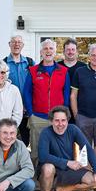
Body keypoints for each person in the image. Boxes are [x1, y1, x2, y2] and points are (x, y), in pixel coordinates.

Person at [37, 106, 96, 191]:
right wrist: (67, 162)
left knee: (95, 180)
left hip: (66, 170)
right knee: (48, 167)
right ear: (51, 121)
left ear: (67, 120)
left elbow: (87, 148)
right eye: (57, 120)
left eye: (63, 120)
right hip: (50, 172)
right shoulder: (46, 133)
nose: (60, 124)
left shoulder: (73, 129)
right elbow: (43, 156)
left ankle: (63, 190)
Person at [23, 39, 71, 167]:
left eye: (51, 49)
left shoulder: (63, 71)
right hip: (38, 116)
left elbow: (66, 93)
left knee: (58, 150)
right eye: (45, 49)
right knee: (36, 151)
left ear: (55, 52)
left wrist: (63, 113)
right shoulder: (33, 71)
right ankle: (36, 182)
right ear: (41, 52)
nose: (48, 51)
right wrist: (31, 113)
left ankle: (56, 182)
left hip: (58, 119)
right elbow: (26, 92)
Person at [70, 44, 96, 182]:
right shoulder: (80, 72)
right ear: (89, 56)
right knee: (84, 152)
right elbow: (73, 96)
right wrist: (76, 115)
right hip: (83, 117)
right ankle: (87, 180)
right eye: (93, 55)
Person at [4, 35, 34, 145]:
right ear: (9, 44)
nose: (16, 44)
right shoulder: (3, 64)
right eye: (14, 42)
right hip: (10, 109)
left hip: (28, 109)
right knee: (9, 139)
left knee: (27, 141)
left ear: (23, 45)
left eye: (19, 42)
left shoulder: (30, 63)